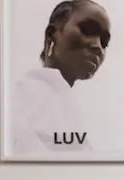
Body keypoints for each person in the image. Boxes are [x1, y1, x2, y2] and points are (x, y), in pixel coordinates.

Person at [9, 0, 111, 154]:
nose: (98, 46)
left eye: (105, 42)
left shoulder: (63, 101)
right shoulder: (28, 96)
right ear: (51, 35)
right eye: (87, 30)